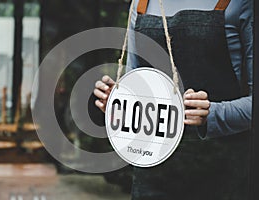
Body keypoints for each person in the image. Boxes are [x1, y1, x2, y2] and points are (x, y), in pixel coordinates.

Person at [94, 0, 253, 199]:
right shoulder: (141, 3)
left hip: (225, 171)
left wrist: (214, 114)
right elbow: (137, 87)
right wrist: (119, 102)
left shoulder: (241, 4)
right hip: (153, 172)